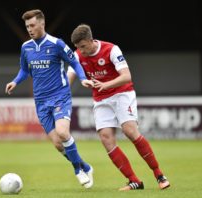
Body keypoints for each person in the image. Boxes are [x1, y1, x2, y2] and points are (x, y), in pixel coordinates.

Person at [67, 24, 170, 191]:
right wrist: (61, 93)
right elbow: (69, 77)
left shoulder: (111, 49)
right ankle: (134, 181)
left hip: (122, 94)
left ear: (91, 40)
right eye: (78, 48)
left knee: (130, 131)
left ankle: (159, 174)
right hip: (101, 98)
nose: (81, 51)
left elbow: (126, 76)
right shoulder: (77, 55)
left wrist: (106, 84)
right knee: (106, 138)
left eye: (83, 47)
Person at [5, 10, 94, 188]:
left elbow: (75, 61)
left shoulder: (57, 44)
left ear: (42, 24)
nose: (29, 29)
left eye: (32, 25)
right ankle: (84, 165)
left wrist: (83, 78)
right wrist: (15, 81)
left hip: (60, 96)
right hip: (40, 101)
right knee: (58, 145)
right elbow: (25, 70)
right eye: (27, 26)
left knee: (62, 132)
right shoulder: (26, 47)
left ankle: (78, 170)